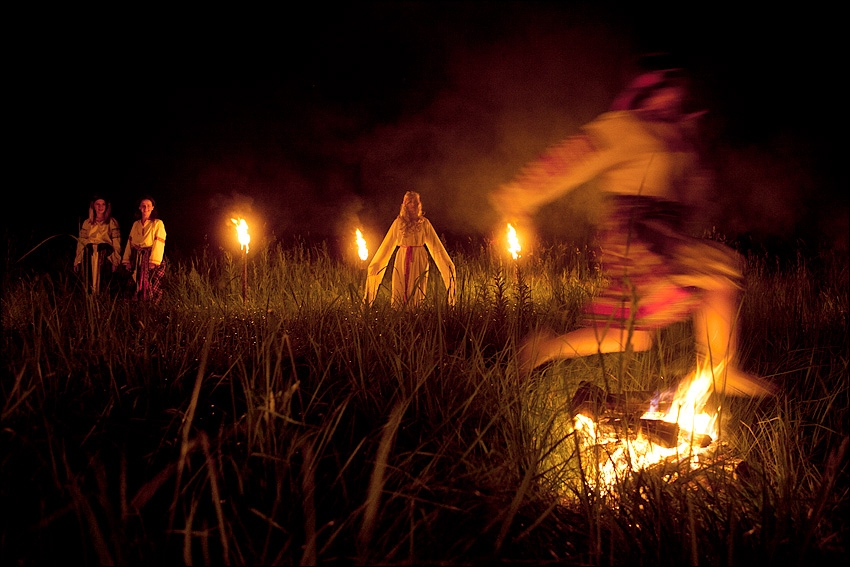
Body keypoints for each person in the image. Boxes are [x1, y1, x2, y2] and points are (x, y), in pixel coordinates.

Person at [489, 62, 775, 397]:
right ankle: (719, 369)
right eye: (662, 95)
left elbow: (694, 195)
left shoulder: (675, 137)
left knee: (635, 336)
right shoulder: (622, 127)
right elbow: (569, 159)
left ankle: (544, 348)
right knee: (717, 269)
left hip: (662, 233)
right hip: (634, 235)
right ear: (643, 94)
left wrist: (692, 147)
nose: (669, 103)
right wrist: (519, 196)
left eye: (676, 99)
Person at [365, 191, 456, 308]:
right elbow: (387, 245)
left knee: (417, 288)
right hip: (402, 258)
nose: (413, 204)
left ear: (419, 204)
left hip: (419, 259)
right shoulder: (398, 223)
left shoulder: (424, 223)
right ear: (405, 205)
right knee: (400, 287)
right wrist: (377, 263)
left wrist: (447, 265)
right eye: (410, 202)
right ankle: (399, 316)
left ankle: (416, 315)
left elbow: (436, 247)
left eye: (416, 201)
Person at [74, 195, 123, 295]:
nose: (100, 207)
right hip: (89, 254)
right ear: (93, 206)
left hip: (105, 255)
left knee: (104, 282)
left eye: (103, 204)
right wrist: (77, 260)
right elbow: (81, 242)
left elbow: (116, 242)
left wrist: (116, 260)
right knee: (89, 282)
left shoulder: (112, 222)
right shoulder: (87, 223)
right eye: (98, 204)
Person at [122, 195, 167, 303]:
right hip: (136, 256)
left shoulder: (157, 223)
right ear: (139, 208)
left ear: (152, 208)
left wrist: (153, 261)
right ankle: (134, 305)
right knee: (134, 280)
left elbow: (159, 243)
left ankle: (149, 307)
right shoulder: (136, 224)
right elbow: (130, 243)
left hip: (149, 256)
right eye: (143, 205)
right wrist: (127, 260)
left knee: (149, 281)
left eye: (148, 206)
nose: (145, 208)